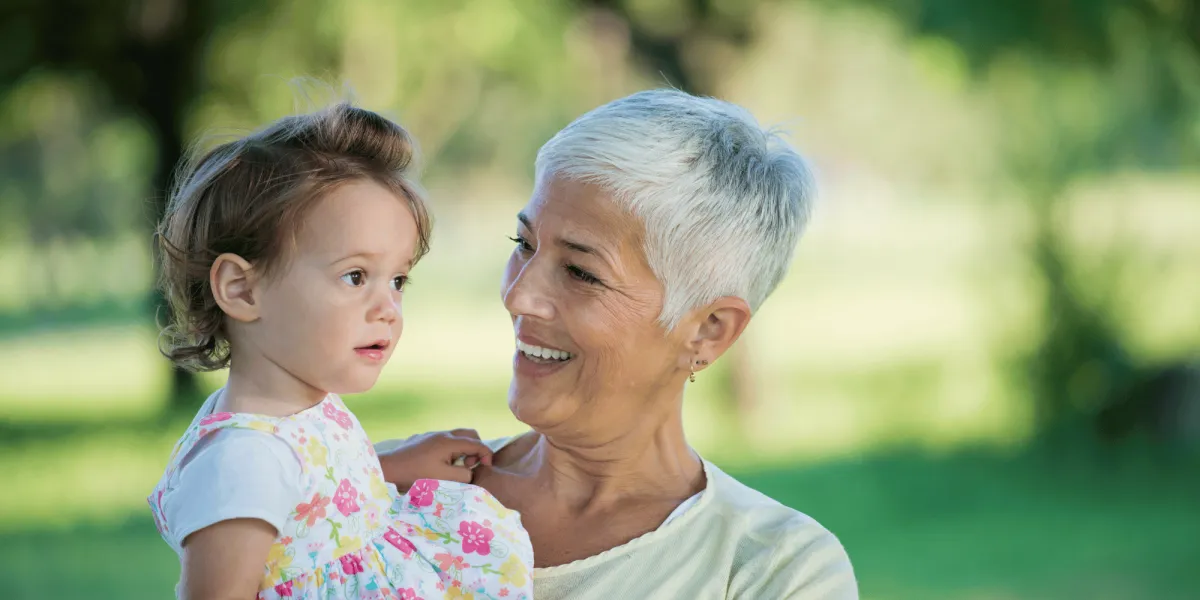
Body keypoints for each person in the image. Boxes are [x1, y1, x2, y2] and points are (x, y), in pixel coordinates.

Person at [378, 89, 858, 599]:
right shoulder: (385, 489)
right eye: (524, 245)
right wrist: (361, 479)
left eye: (581, 272)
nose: (519, 297)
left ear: (709, 329)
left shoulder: (773, 569)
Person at [146, 102, 533, 600]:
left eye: (397, 280)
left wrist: (390, 467)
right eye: (355, 276)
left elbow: (308, 497)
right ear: (242, 290)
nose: (388, 308)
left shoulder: (297, 407)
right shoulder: (240, 463)